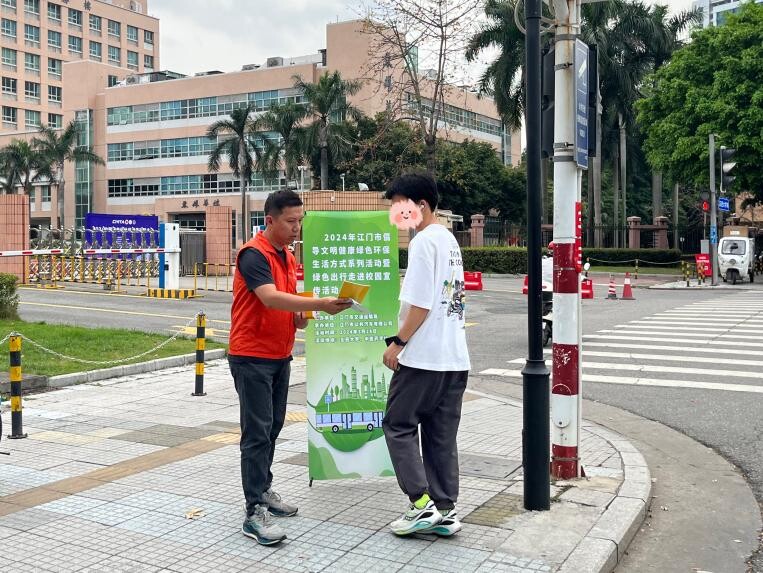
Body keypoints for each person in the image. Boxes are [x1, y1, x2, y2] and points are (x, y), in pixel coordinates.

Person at [228, 189, 352, 546]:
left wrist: (302, 315)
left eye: (300, 221)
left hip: (279, 356)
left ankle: (264, 490)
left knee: (272, 427)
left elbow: (287, 305)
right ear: (270, 220)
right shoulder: (253, 254)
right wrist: (319, 304)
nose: (297, 227)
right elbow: (269, 297)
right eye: (291, 221)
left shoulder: (287, 256)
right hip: (252, 357)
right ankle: (253, 510)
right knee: (256, 433)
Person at [381, 173, 471, 537]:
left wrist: (398, 342)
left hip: (423, 358)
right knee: (440, 436)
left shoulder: (422, 243)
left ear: (420, 206)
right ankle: (445, 510)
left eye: (399, 207)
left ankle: (420, 504)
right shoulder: (448, 239)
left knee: (397, 425)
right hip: (455, 358)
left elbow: (421, 304)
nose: (396, 214)